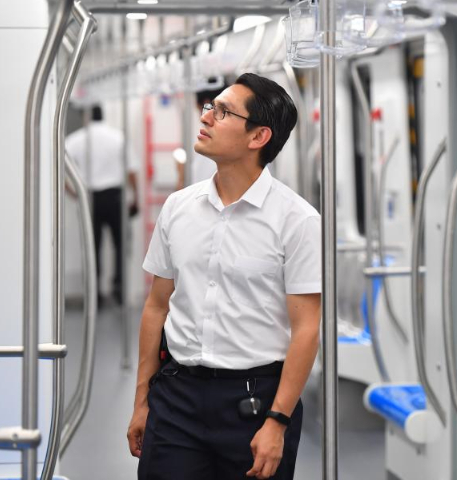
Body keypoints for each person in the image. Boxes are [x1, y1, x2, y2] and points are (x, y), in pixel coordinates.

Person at [127, 73, 322, 480]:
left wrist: (277, 421)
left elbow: (306, 329)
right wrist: (142, 401)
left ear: (258, 137)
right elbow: (156, 307)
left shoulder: (297, 221)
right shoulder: (178, 208)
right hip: (176, 396)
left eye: (223, 112)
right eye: (209, 108)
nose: (208, 117)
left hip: (254, 402)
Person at [65, 105, 138, 304]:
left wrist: (74, 193)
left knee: (92, 246)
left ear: (85, 116)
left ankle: (94, 295)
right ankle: (118, 288)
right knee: (120, 245)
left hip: (91, 198)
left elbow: (59, 166)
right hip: (115, 195)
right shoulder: (118, 137)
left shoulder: (76, 139)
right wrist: (136, 197)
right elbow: (132, 170)